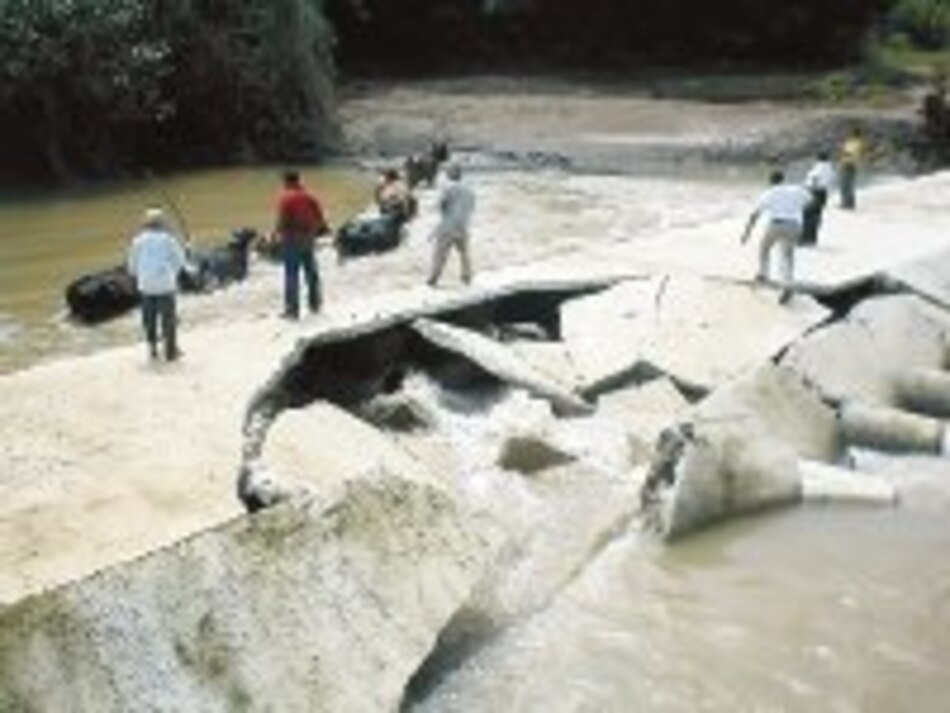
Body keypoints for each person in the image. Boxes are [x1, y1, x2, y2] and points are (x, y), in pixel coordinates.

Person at [739, 170, 812, 305]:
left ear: (770, 181)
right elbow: (809, 200)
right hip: (795, 226)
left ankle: (763, 274)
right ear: (783, 179)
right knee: (787, 255)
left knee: (764, 248)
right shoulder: (796, 189)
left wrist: (746, 234)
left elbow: (755, 215)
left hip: (776, 225)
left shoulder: (769, 193)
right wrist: (797, 209)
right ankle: (787, 284)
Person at [127, 207, 187, 361]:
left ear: (145, 224)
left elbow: (132, 266)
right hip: (165, 285)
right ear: (162, 223)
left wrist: (140, 276)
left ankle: (153, 349)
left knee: (149, 319)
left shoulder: (137, 241)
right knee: (169, 319)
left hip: (146, 286)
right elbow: (180, 262)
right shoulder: (169, 239)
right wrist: (172, 273)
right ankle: (171, 352)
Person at [273, 169, 328, 319]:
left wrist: (275, 236)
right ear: (299, 180)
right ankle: (315, 305)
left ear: (286, 181)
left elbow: (282, 221)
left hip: (291, 240)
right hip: (308, 239)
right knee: (311, 272)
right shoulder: (310, 196)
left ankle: (292, 311)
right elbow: (320, 218)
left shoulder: (286, 198)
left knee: (292, 275)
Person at [427, 163, 476, 287]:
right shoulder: (470, 190)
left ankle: (434, 278)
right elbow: (471, 208)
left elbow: (439, 204)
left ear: (451, 174)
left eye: (448, 172)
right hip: (463, 225)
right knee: (464, 253)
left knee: (440, 253)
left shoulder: (447, 187)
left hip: (448, 226)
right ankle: (467, 276)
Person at [801, 150, 836, 246]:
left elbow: (814, 179)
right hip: (823, 193)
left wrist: (807, 190)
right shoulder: (830, 168)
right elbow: (832, 180)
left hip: (814, 192)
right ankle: (813, 238)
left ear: (818, 158)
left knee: (807, 215)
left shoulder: (819, 167)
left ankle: (805, 239)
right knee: (817, 216)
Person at [838, 126, 865, 209]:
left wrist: (844, 152)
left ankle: (847, 204)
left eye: (851, 133)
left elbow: (854, 153)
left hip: (849, 164)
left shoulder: (858, 143)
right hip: (846, 164)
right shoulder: (851, 142)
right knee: (846, 185)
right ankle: (847, 203)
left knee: (846, 185)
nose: (850, 134)